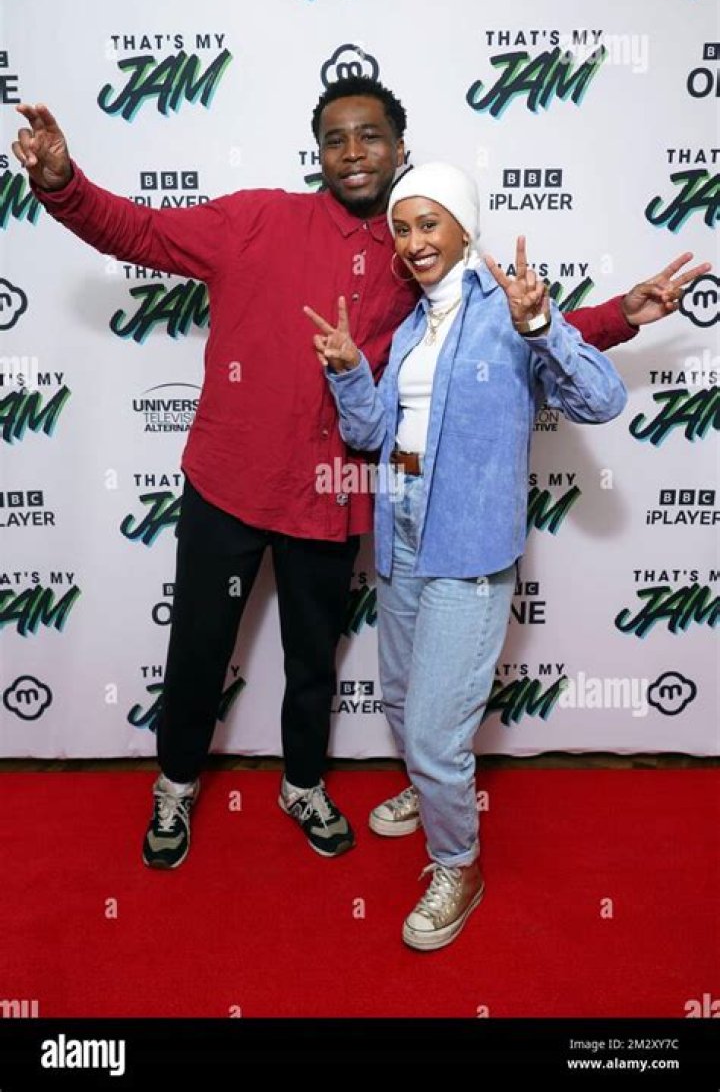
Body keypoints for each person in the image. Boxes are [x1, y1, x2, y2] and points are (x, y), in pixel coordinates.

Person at [12, 79, 709, 873]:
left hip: (333, 495)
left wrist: (618, 315)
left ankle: (303, 783)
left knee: (315, 658)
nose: (353, 152)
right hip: (228, 482)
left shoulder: (420, 251)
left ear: (400, 148)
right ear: (317, 153)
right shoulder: (255, 219)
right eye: (335, 139)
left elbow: (512, 331)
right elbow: (138, 231)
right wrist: (63, 183)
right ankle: (174, 783)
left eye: (370, 136)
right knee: (199, 648)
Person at [306, 162, 627, 950]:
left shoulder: (508, 312)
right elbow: (371, 434)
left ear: (463, 226)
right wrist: (350, 372)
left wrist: (543, 326)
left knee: (433, 730)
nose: (414, 242)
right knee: (399, 696)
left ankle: (460, 863)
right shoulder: (411, 327)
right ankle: (428, 792)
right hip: (401, 530)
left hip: (468, 546)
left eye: (429, 224)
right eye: (402, 228)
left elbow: (603, 400)